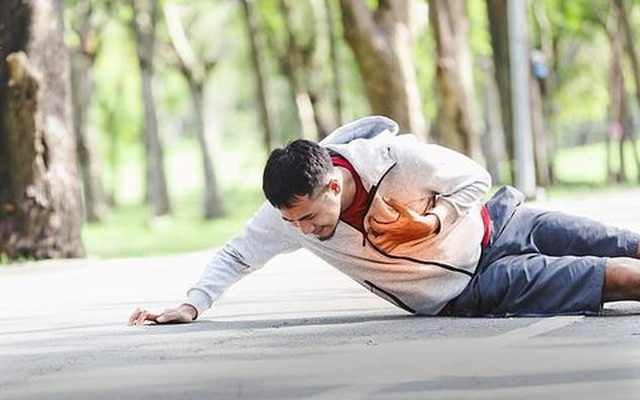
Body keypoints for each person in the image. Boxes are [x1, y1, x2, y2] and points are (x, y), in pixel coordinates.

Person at [128, 116, 640, 325]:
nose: (302, 230)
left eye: (309, 218)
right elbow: (237, 254)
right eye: (292, 222)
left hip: (501, 222)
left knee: (624, 242)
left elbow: (475, 178)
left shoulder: (396, 159)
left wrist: (433, 222)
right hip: (472, 287)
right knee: (620, 277)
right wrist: (191, 305)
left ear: (332, 185)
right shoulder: (287, 214)